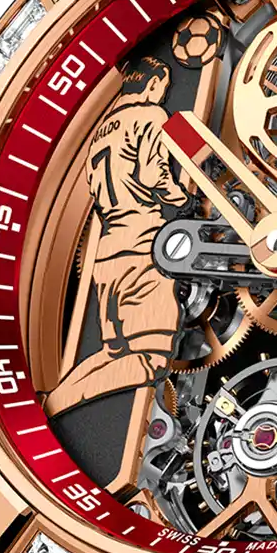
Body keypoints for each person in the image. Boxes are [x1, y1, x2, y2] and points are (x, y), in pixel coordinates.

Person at [45, 56, 188, 417]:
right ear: (152, 85)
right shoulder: (150, 115)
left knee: (114, 353)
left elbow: (96, 190)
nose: (163, 94)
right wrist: (185, 200)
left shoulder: (100, 132)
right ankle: (61, 403)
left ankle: (51, 404)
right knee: (152, 360)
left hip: (106, 253)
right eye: (162, 87)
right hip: (143, 246)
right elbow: (154, 174)